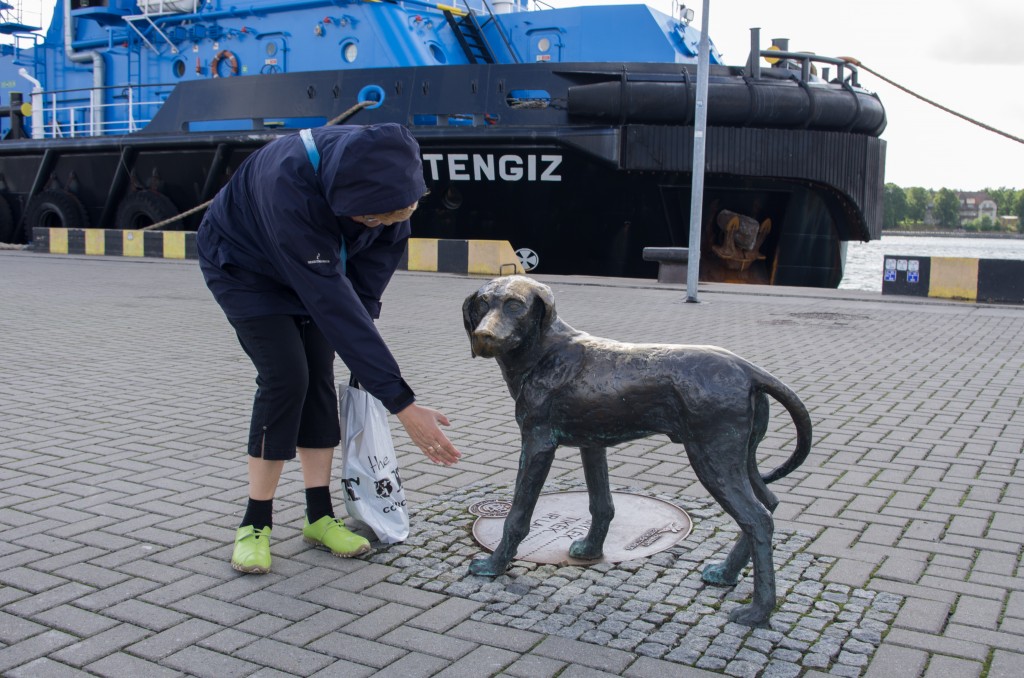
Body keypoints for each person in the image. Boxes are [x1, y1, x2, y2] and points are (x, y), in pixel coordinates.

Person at [197, 122, 461, 574]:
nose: (381, 226)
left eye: (396, 218)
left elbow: (360, 300)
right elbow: (332, 304)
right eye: (373, 219)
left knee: (318, 375)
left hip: (315, 270)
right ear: (346, 196)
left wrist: (368, 377)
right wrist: (401, 402)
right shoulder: (288, 187)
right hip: (247, 271)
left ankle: (318, 516)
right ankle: (254, 523)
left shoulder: (389, 193)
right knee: (286, 378)